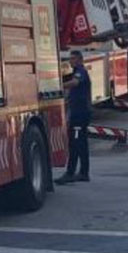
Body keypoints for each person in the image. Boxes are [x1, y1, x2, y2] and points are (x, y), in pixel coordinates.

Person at [55, 50, 92, 184]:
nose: (71, 61)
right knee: (81, 143)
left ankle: (71, 173)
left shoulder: (80, 71)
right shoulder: (78, 71)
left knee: (75, 143)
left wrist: (58, 86)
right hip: (79, 112)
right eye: (70, 59)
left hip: (80, 114)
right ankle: (83, 172)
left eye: (73, 59)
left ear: (80, 59)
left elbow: (75, 83)